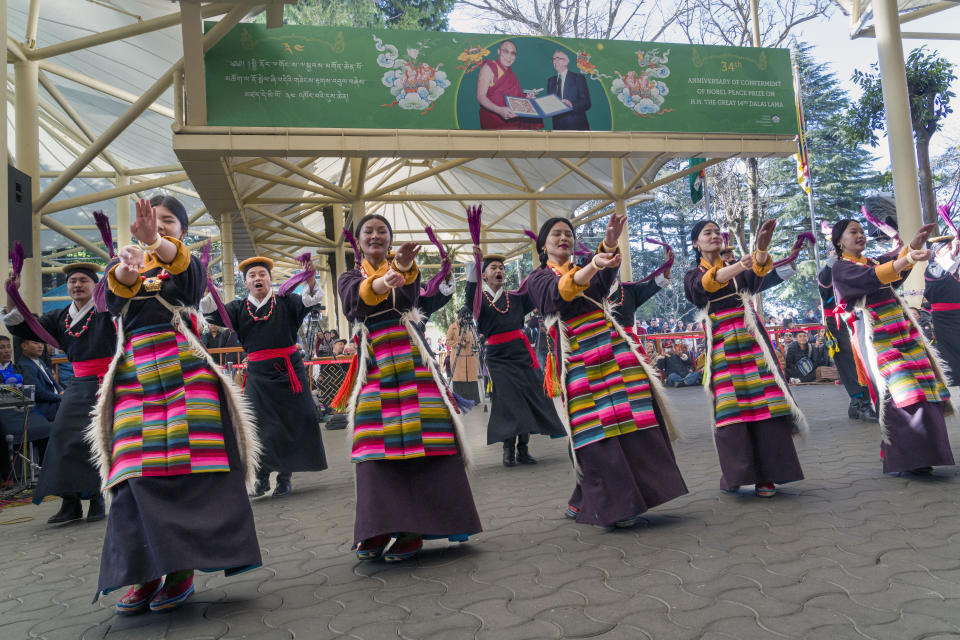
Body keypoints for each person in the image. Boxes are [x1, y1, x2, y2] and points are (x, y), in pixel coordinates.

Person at [91, 196, 260, 614]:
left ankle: (182, 570)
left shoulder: (186, 268)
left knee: (194, 468)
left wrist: (156, 242)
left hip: (188, 374)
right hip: (135, 381)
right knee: (132, 473)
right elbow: (107, 304)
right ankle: (144, 571)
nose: (158, 226)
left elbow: (192, 283)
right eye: (152, 221)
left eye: (169, 222)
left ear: (183, 233)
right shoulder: (122, 266)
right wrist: (126, 268)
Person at [335, 213, 481, 562]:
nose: (375, 236)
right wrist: (386, 279)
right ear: (358, 241)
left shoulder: (408, 271)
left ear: (390, 238)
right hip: (374, 365)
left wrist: (401, 268)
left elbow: (412, 299)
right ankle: (379, 526)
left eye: (382, 231)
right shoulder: (349, 278)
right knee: (372, 445)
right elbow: (354, 304)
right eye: (368, 231)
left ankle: (415, 529)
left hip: (413, 359)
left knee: (427, 438)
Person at [526, 214, 687, 528]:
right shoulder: (537, 279)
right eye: (556, 234)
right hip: (575, 355)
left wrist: (610, 242)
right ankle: (615, 503)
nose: (564, 238)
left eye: (568, 234)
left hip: (613, 349)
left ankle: (607, 496)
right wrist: (594, 264)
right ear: (543, 246)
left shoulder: (585, 266)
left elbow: (601, 283)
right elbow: (559, 294)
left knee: (632, 417)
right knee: (593, 429)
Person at [683, 219, 806, 498]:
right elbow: (705, 286)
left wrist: (762, 248)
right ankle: (739, 473)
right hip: (722, 346)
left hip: (751, 341)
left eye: (717, 232)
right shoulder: (692, 275)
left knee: (767, 404)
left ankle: (768, 476)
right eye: (707, 233)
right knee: (731, 409)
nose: (715, 236)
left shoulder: (740, 271)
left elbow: (758, 276)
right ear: (695, 243)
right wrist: (741, 265)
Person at [830, 218, 954, 475]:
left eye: (862, 231)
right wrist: (907, 257)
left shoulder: (872, 262)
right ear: (839, 240)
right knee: (899, 388)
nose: (861, 235)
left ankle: (928, 453)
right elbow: (875, 277)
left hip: (902, 327)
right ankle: (905, 456)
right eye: (854, 232)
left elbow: (891, 273)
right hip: (875, 333)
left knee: (923, 383)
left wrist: (912, 247)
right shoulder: (841, 269)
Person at [201, 256, 327, 498]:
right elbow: (212, 313)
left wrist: (310, 281)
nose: (257, 278)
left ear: (270, 279)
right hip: (258, 375)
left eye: (262, 274)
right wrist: (208, 288)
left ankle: (285, 477)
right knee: (257, 425)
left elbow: (310, 300)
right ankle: (260, 477)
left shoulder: (287, 302)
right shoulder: (237, 308)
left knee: (292, 421)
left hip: (289, 371)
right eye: (252, 276)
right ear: (245, 282)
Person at [3, 263, 112, 524]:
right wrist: (11, 293)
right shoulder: (59, 317)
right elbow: (23, 327)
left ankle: (97, 500)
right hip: (78, 384)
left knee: (97, 441)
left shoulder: (108, 312)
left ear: (96, 286)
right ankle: (70, 502)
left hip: (110, 383)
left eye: (83, 280)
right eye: (73, 281)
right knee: (61, 439)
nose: (77, 285)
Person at [465, 250, 566, 467]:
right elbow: (469, 293)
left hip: (521, 353)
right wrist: (476, 262)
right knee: (508, 400)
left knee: (530, 397)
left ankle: (523, 449)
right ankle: (508, 449)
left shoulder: (515, 298)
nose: (499, 270)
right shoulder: (478, 301)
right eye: (493, 268)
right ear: (484, 275)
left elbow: (535, 286)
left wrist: (543, 264)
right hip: (497, 356)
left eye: (501, 268)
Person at [818, 250, 877, 421]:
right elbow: (825, 288)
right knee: (848, 363)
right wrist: (831, 264)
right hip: (838, 323)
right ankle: (860, 403)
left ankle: (862, 402)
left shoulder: (857, 266)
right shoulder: (827, 272)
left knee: (864, 360)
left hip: (858, 317)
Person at [476, 40, 543, 130]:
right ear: (499, 51)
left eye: (513, 53)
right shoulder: (489, 67)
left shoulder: (511, 74)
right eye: (506, 51)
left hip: (512, 121)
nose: (509, 57)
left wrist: (527, 97)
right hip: (493, 121)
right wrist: (499, 110)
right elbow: (480, 97)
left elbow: (514, 97)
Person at [924, 238, 960, 385]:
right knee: (952, 353)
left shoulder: (955, 266)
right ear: (937, 252)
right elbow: (946, 266)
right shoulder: (932, 269)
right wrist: (952, 254)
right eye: (948, 247)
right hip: (945, 320)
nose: (953, 249)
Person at [16, 338, 62, 422]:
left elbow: (53, 382)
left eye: (42, 343)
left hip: (56, 399)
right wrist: (61, 397)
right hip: (46, 406)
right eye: (35, 343)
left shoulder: (39, 360)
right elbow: (38, 393)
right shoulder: (25, 365)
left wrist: (61, 391)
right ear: (24, 346)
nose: (41, 346)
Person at [546, 50, 590, 130]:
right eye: (553, 59)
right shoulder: (551, 81)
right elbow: (549, 103)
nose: (554, 61)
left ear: (566, 62)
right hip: (557, 127)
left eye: (558, 58)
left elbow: (586, 103)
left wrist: (571, 105)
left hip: (577, 127)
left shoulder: (578, 78)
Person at [445, 317, 481, 404]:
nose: (465, 320)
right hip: (458, 359)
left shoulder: (471, 327)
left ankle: (473, 400)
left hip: (470, 359)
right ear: (460, 317)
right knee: (459, 379)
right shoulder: (452, 327)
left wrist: (476, 345)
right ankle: (460, 401)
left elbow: (476, 339)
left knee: (471, 379)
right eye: (463, 318)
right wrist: (459, 343)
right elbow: (447, 341)